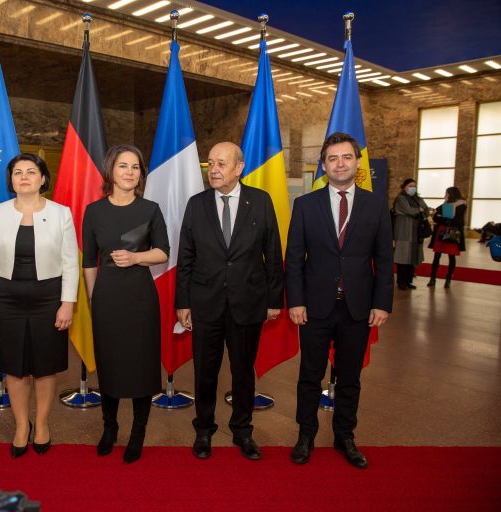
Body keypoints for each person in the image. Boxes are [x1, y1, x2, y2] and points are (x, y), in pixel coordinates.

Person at [285, 132, 393, 469]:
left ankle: (345, 436)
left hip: (358, 308)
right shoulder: (305, 205)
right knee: (309, 375)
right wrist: (296, 301)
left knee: (350, 377)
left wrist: (382, 303)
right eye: (333, 158)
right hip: (315, 307)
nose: (340, 163)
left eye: (346, 157)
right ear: (324, 165)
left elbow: (384, 259)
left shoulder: (375, 205)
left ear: (357, 163)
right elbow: (294, 258)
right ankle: (306, 435)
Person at [175, 142, 283, 461]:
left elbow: (273, 254)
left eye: (222, 163)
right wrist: (183, 303)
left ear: (239, 168)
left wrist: (275, 299)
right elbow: (186, 257)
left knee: (242, 372)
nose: (215, 169)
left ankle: (242, 431)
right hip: (205, 303)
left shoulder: (260, 202)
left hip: (247, 303)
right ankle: (204, 430)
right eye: (210, 163)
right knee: (205, 373)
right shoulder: (197, 204)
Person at [0, 153, 78, 458]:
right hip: (7, 299)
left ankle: (43, 424)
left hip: (49, 298)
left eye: (30, 172)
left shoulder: (61, 214)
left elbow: (71, 263)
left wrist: (67, 304)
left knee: (45, 367)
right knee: (15, 367)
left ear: (43, 178)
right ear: (11, 180)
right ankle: (22, 426)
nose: (23, 177)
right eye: (17, 172)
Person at [82, 144, 169, 464]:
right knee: (110, 364)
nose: (130, 172)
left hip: (140, 299)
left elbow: (163, 251)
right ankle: (110, 427)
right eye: (123, 166)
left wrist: (135, 257)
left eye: (135, 167)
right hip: (106, 298)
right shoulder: (94, 211)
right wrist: (93, 297)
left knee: (142, 366)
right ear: (111, 171)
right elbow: (89, 261)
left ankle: (138, 433)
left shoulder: (150, 209)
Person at [393, 178, 430, 290]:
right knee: (403, 257)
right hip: (404, 231)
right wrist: (419, 210)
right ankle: (401, 282)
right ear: (404, 187)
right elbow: (409, 210)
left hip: (416, 231)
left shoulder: (418, 199)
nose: (412, 188)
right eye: (410, 186)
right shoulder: (400, 198)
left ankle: (409, 281)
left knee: (413, 257)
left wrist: (420, 210)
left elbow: (426, 210)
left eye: (414, 186)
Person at [427, 186, 467, 289]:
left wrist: (443, 219)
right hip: (441, 232)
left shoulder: (461, 205)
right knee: (437, 256)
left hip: (452, 233)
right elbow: (435, 216)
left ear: (451, 193)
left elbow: (458, 221)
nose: (446, 195)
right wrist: (444, 219)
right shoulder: (445, 204)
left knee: (451, 256)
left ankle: (448, 279)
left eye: (447, 193)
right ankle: (432, 278)